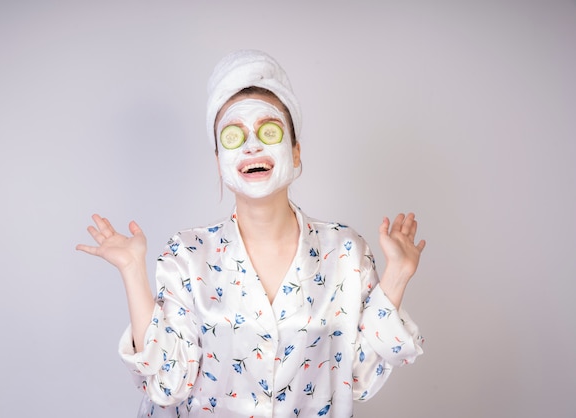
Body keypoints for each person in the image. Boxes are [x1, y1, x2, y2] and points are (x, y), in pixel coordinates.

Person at [77, 49, 426, 417]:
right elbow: (168, 383)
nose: (252, 145)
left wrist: (398, 275)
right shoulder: (186, 255)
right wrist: (133, 271)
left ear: (295, 152)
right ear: (218, 162)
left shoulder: (346, 253)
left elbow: (359, 379)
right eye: (233, 135)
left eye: (268, 130)